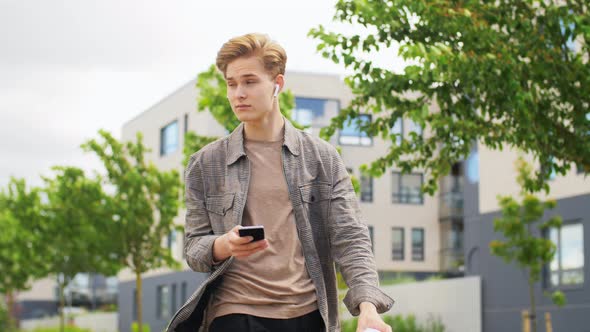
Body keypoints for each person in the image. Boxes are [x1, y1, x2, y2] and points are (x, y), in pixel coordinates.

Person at [166, 33, 394, 332]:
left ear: (278, 84)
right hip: (235, 311)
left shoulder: (321, 158)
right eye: (231, 84)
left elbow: (350, 237)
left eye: (250, 81)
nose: (238, 93)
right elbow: (194, 249)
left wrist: (368, 307)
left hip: (308, 313)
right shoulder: (205, 163)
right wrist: (225, 244)